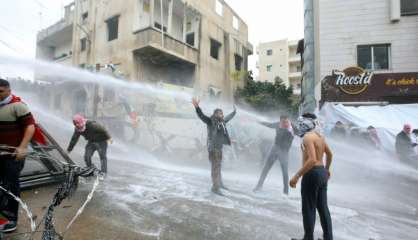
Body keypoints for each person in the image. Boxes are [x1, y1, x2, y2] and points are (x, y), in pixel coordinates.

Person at [290, 113, 333, 240]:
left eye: (301, 123)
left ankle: (308, 238)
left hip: (312, 173)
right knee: (323, 207)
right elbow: (330, 155)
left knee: (308, 208)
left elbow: (312, 160)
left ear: (306, 124)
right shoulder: (320, 136)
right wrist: (327, 170)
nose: (299, 126)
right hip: (321, 173)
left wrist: (297, 176)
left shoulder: (308, 138)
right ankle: (328, 238)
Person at [0, 79, 35, 233]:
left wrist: (22, 147)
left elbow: (30, 127)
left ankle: (10, 219)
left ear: (8, 90)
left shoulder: (18, 106)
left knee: (10, 186)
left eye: (0, 91)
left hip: (13, 156)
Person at [192, 97, 236, 195]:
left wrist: (234, 112)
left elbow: (228, 118)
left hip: (219, 148)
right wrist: (197, 107)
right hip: (213, 148)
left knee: (218, 166)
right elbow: (201, 116)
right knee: (215, 168)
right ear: (216, 114)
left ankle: (219, 184)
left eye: (222, 113)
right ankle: (215, 188)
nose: (222, 115)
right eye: (220, 113)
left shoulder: (222, 122)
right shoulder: (210, 121)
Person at [253, 115, 294, 195]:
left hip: (284, 152)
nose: (284, 123)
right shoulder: (277, 124)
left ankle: (286, 192)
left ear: (288, 121)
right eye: (282, 122)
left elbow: (300, 133)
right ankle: (258, 186)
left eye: (286, 121)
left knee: (285, 172)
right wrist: (259, 121)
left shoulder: (292, 127)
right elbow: (269, 124)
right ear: (280, 121)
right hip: (275, 149)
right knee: (266, 168)